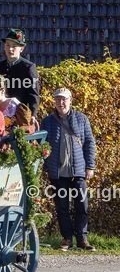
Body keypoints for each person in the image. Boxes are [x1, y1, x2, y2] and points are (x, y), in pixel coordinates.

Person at [41, 88, 96, 251]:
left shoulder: (81, 119)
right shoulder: (47, 121)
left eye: (64, 99)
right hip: (58, 173)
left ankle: (82, 239)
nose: (61, 103)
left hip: (78, 171)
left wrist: (90, 166)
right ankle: (67, 239)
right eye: (57, 100)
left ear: (70, 100)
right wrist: (46, 164)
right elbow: (42, 145)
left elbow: (89, 143)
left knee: (82, 206)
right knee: (62, 207)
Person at [0, 28, 40, 113]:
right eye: (7, 45)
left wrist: (32, 115)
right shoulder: (0, 67)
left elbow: (33, 94)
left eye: (14, 46)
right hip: (2, 112)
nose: (10, 49)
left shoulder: (28, 67)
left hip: (20, 113)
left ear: (22, 48)